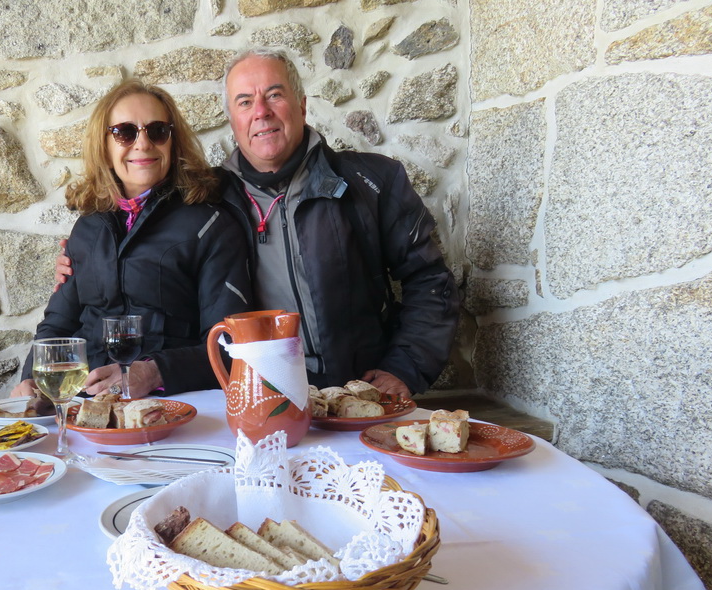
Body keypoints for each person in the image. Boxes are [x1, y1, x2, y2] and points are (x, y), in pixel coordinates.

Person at [56, 49, 459, 398]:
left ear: (302, 105)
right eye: (245, 101)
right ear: (231, 118)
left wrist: (403, 368)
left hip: (355, 392)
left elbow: (429, 281)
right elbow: (145, 234)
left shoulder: (371, 182)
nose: (261, 112)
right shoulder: (206, 198)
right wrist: (85, 261)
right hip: (261, 395)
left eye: (274, 95)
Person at [12, 79, 252, 401]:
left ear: (173, 142)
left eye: (157, 131)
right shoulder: (87, 227)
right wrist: (32, 380)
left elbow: (229, 342)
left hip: (172, 401)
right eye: (125, 132)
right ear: (104, 146)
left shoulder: (209, 225)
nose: (143, 144)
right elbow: (59, 324)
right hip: (87, 401)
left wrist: (154, 373)